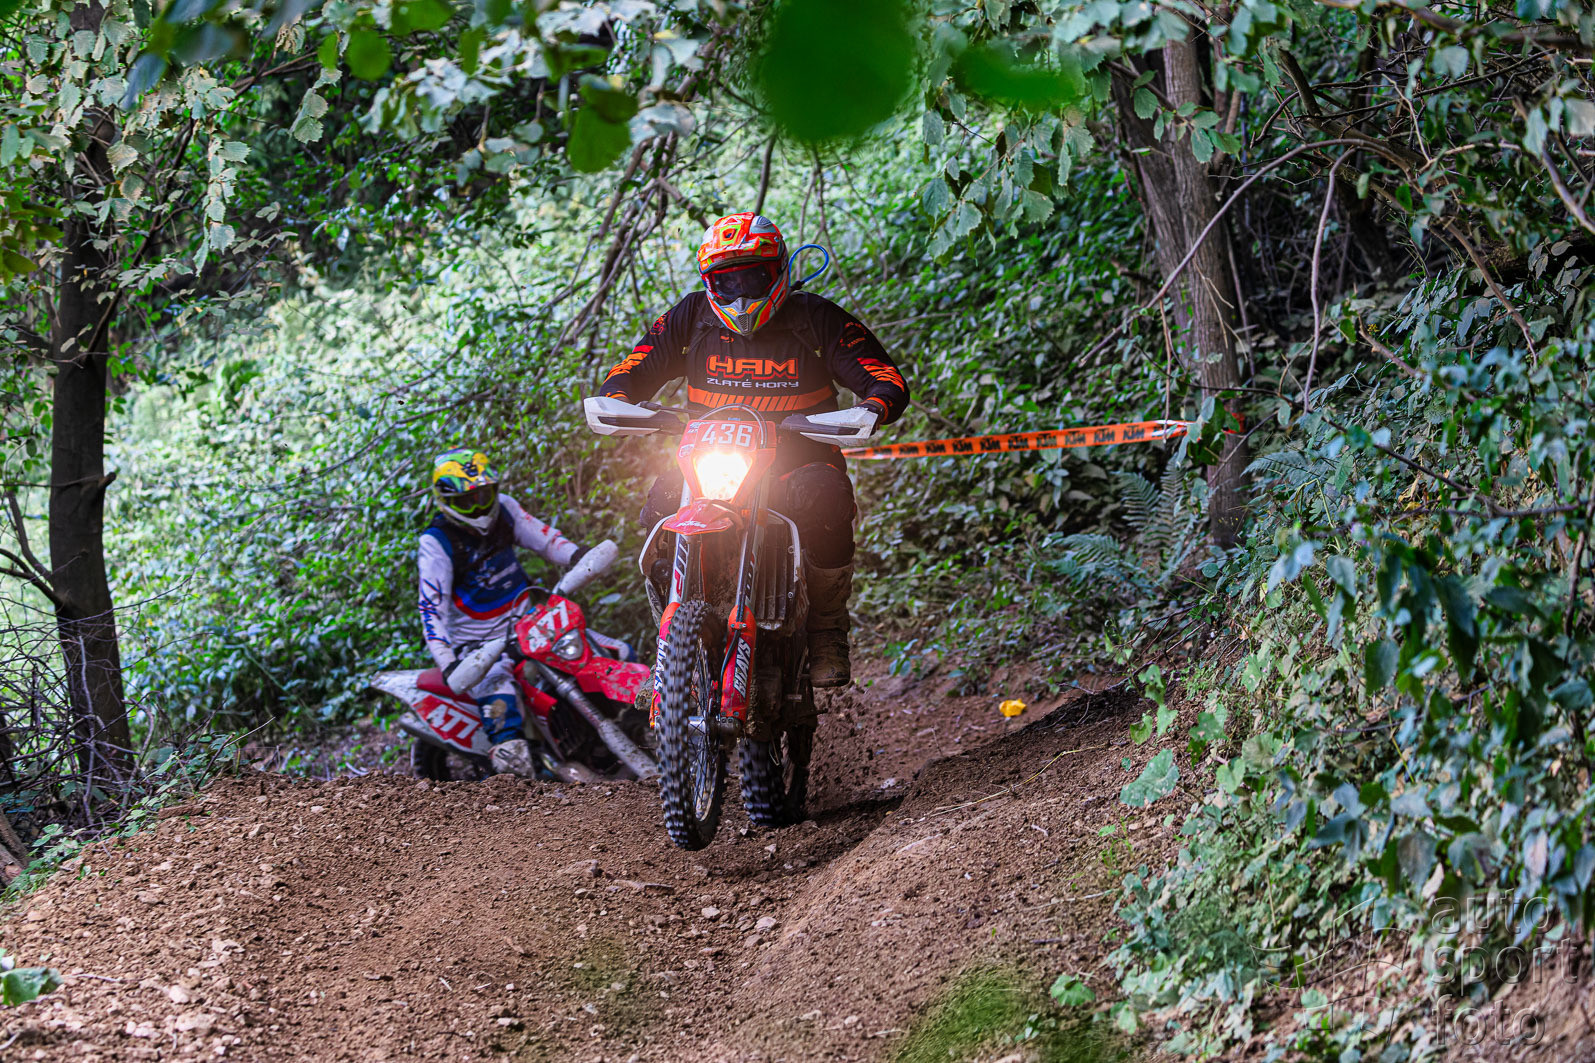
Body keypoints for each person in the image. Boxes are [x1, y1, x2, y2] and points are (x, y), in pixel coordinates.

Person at [592, 211, 910, 687]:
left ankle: (827, 627)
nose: (740, 295)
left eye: (752, 278)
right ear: (709, 282)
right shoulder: (692, 315)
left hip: (798, 461)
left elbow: (883, 375)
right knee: (659, 505)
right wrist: (616, 397)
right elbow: (636, 364)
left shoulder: (815, 318)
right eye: (727, 282)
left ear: (778, 270)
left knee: (828, 499)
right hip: (707, 464)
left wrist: (873, 406)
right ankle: (670, 641)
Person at [417, 448, 586, 777]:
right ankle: (517, 786)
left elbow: (545, 540)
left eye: (484, 496)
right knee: (501, 702)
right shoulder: (436, 542)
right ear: (447, 501)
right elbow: (431, 610)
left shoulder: (505, 508)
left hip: (531, 623)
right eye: (468, 501)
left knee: (600, 653)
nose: (479, 507)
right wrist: (448, 662)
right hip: (479, 646)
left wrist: (578, 555)